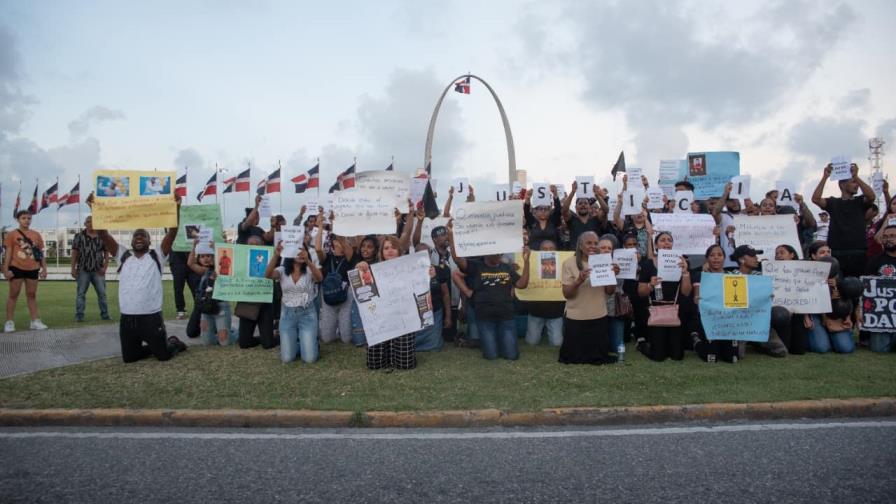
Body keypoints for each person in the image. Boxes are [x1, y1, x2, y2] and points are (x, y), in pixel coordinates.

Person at [89, 193, 188, 362]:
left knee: (163, 356)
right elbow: (103, 234)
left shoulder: (157, 256)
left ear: (149, 242)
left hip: (151, 317)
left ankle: (173, 343)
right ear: (132, 241)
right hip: (128, 318)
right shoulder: (123, 256)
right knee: (129, 358)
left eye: (143, 236)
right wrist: (94, 208)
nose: (139, 238)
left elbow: (172, 233)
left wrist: (176, 208)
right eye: (136, 236)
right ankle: (155, 345)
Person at [450, 223, 531, 361]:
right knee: (491, 356)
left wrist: (527, 261)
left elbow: (521, 284)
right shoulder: (476, 266)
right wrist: (452, 235)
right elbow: (457, 259)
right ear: (487, 252)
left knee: (512, 356)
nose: (499, 254)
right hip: (485, 317)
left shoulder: (507, 267)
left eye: (500, 251)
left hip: (506, 317)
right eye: (496, 252)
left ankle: (500, 340)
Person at [358, 235, 419, 370]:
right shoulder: (372, 270)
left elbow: (420, 286)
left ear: (399, 251)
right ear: (381, 252)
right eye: (386, 248)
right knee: (374, 364)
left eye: (393, 247)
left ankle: (399, 352)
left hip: (404, 320)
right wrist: (360, 268)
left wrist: (428, 274)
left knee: (405, 365)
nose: (390, 250)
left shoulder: (409, 268)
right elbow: (362, 289)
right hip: (381, 321)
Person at [558, 231, 617, 364]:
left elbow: (610, 291)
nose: (592, 246)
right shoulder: (569, 263)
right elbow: (567, 294)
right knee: (572, 357)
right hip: (576, 317)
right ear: (580, 246)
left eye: (596, 243)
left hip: (598, 315)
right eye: (588, 243)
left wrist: (613, 276)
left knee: (599, 356)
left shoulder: (604, 261)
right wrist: (579, 280)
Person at [811, 162, 876, 278]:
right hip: (837, 252)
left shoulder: (860, 201)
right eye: (853, 182)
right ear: (842, 185)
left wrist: (856, 176)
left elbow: (871, 196)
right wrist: (825, 176)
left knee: (857, 286)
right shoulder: (833, 202)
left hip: (858, 252)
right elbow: (815, 199)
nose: (856, 185)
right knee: (836, 287)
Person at [636, 231, 691, 361]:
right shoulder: (648, 264)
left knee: (677, 356)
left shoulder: (681, 262)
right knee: (658, 356)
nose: (666, 242)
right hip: (656, 312)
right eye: (662, 240)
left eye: (669, 240)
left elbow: (686, 292)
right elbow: (640, 292)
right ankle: (642, 345)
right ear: (656, 245)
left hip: (675, 311)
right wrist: (650, 285)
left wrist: (685, 273)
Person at [266, 241, 322, 363]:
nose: (300, 253)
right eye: (296, 250)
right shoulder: (282, 270)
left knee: (309, 359)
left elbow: (319, 278)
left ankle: (311, 343)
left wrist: (308, 261)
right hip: (287, 315)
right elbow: (268, 275)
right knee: (287, 358)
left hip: (307, 314)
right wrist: (276, 255)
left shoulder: (309, 269)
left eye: (303, 250)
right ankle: (300, 344)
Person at [2, 210, 48, 332]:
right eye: (24, 218)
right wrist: (5, 269)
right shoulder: (12, 234)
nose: (27, 220)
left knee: (32, 295)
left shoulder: (36, 235)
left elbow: (41, 253)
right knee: (13, 295)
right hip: (16, 267)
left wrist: (44, 268)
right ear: (18, 220)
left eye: (29, 218)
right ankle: (9, 322)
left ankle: (34, 321)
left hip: (33, 268)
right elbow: (8, 253)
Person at [186, 239, 234, 346]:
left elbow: (227, 260)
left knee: (225, 343)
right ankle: (224, 329)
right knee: (207, 343)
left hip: (220, 307)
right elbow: (190, 263)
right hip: (206, 308)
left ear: (214, 257)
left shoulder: (221, 269)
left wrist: (216, 249)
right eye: (202, 256)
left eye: (209, 256)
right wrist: (194, 246)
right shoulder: (204, 271)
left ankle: (238, 333)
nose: (206, 259)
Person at [524, 240, 564, 347]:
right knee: (531, 342)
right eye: (545, 249)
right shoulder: (532, 263)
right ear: (539, 251)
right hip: (535, 311)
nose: (548, 252)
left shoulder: (563, 263)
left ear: (556, 251)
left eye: (551, 249)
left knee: (557, 343)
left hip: (555, 312)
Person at [70, 216, 111, 322]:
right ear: (85, 224)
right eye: (88, 222)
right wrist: (73, 268)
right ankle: (79, 316)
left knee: (102, 294)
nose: (90, 224)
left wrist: (105, 267)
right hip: (83, 269)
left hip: (98, 270)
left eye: (92, 222)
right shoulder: (79, 236)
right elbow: (74, 253)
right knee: (81, 294)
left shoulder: (102, 237)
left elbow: (107, 253)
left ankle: (105, 315)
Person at [865, 225, 896, 352]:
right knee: (879, 349)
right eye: (885, 237)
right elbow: (866, 287)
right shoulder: (875, 261)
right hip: (883, 316)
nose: (889, 239)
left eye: (893, 236)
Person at [561, 180, 611, 250]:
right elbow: (564, 210)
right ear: (576, 208)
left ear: (590, 208)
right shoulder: (572, 220)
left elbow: (606, 210)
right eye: (580, 203)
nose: (583, 205)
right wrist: (572, 192)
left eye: (585, 203)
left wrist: (597, 195)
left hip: (593, 255)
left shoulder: (596, 220)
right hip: (576, 256)